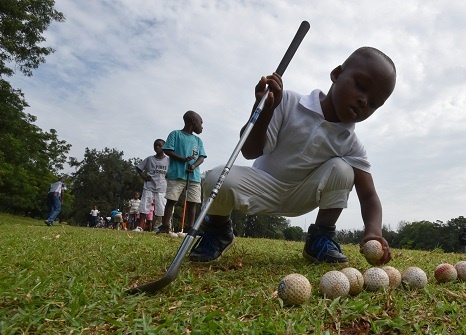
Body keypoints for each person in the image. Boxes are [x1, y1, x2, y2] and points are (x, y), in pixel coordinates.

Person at [190, 47, 396, 265]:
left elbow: (369, 196)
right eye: (361, 86)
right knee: (216, 177)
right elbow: (250, 151)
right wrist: (265, 109)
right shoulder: (287, 102)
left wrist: (373, 232)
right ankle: (218, 230)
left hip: (301, 196)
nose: (364, 101)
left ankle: (321, 237)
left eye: (374, 103)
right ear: (336, 74)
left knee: (343, 169)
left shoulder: (351, 144)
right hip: (261, 186)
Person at [157, 112, 206, 234]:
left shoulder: (198, 140)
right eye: (201, 122)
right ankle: (164, 227)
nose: (202, 126)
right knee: (171, 200)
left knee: (192, 202)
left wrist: (194, 165)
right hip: (177, 174)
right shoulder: (175, 134)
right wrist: (183, 159)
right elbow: (167, 149)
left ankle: (191, 228)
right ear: (193, 121)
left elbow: (202, 157)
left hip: (194, 176)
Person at [136, 139, 169, 231]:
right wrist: (143, 176)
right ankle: (140, 227)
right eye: (155, 145)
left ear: (164, 147)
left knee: (161, 210)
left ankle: (158, 227)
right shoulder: (150, 159)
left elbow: (171, 173)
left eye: (159, 145)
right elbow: (138, 168)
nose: (157, 147)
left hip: (162, 188)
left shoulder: (168, 160)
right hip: (149, 187)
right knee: (143, 208)